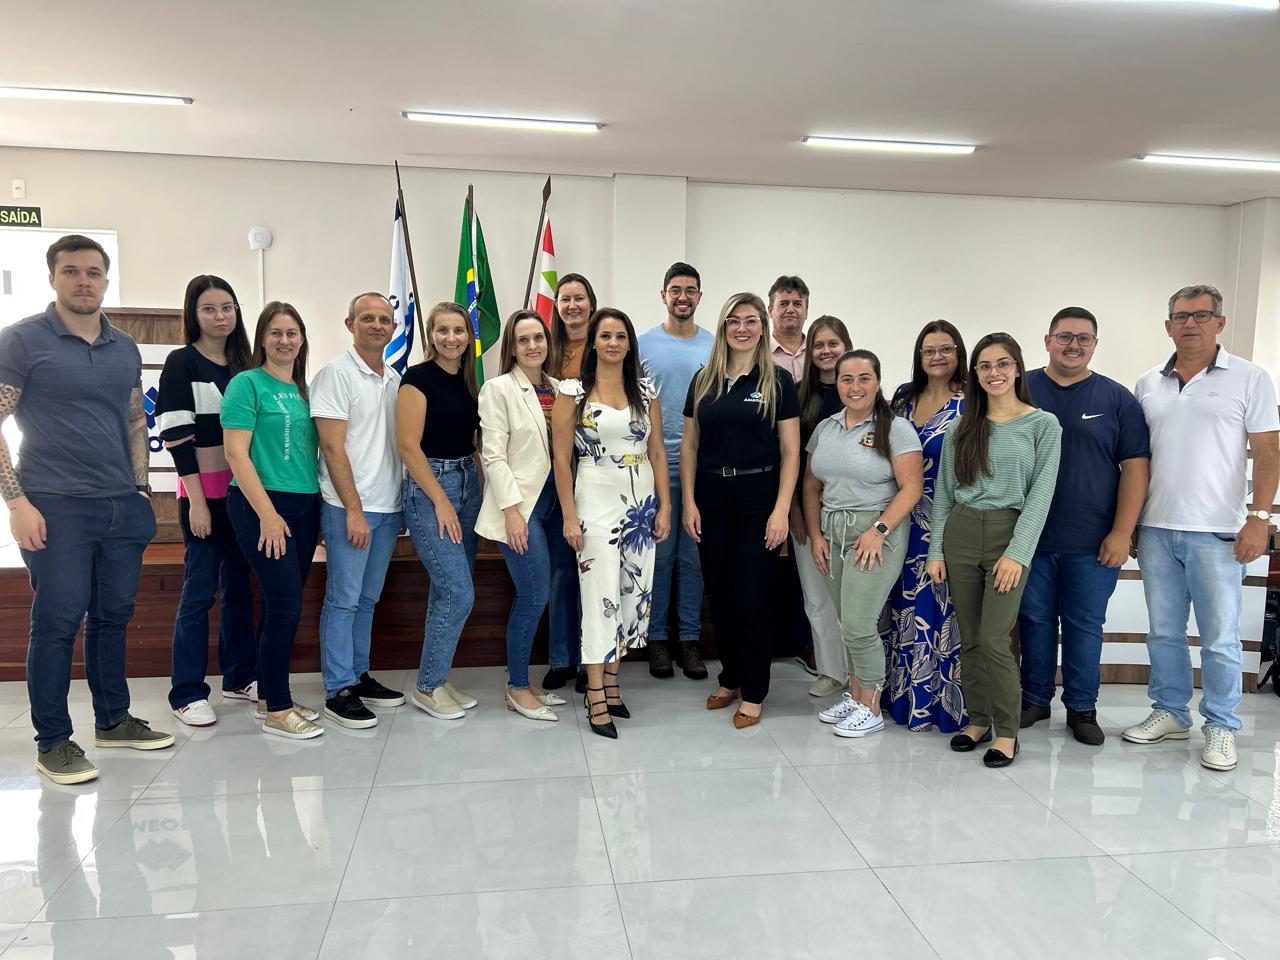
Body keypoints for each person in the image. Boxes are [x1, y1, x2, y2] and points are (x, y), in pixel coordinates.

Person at [0, 234, 173, 784]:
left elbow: (132, 419)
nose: (83, 281)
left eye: (93, 272)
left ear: (105, 279)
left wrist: (142, 491)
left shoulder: (123, 347)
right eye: (71, 271)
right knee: (57, 620)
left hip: (120, 505)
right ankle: (53, 741)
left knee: (113, 618)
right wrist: (15, 500)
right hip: (54, 505)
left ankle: (113, 721)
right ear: (52, 277)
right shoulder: (22, 341)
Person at [1124, 284, 1278, 773]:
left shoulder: (1250, 378)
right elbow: (1135, 460)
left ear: (1220, 322)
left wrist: (1260, 518)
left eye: (1202, 314)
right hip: (1155, 528)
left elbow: (1269, 452)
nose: (1190, 323)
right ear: (1167, 325)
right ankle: (1170, 712)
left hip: (1218, 531)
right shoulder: (1148, 383)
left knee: (1219, 638)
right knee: (1164, 633)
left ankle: (1221, 725)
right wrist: (1129, 522)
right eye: (1181, 316)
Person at [926, 333, 1061, 768]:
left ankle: (1007, 732)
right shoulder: (961, 427)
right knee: (970, 637)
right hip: (961, 532)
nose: (994, 373)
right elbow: (944, 494)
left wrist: (1017, 553)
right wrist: (935, 552)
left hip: (1009, 533)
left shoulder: (1043, 425)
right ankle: (978, 719)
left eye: (1002, 364)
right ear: (975, 375)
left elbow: (1040, 496)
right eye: (984, 366)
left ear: (1018, 369)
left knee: (995, 639)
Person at [1018, 307, 1150, 745]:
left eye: (1084, 338)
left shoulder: (1116, 399)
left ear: (1095, 344)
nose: (1073, 345)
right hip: (1027, 537)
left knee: (1084, 624)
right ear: (1047, 340)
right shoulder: (1022, 389)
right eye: (1065, 336)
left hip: (1092, 540)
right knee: (1034, 620)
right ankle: (1034, 698)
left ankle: (1081, 708)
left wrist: (1121, 531)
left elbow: (1134, 468)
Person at [682, 292, 800, 728]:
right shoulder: (704, 380)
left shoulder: (778, 382)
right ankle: (729, 678)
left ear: (762, 328)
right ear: (724, 327)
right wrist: (689, 502)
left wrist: (782, 510)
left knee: (753, 597)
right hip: (712, 497)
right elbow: (690, 446)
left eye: (751, 321)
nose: (742, 328)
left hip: (759, 497)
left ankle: (753, 690)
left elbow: (791, 452)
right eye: (734, 321)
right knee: (723, 593)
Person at [552, 308, 670, 739]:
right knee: (599, 596)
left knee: (630, 595)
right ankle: (594, 692)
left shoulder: (645, 389)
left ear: (629, 344)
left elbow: (657, 452)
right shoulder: (573, 391)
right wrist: (568, 514)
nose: (614, 343)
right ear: (594, 342)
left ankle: (615, 682)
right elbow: (561, 460)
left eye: (621, 336)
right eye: (606, 335)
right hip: (594, 500)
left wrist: (666, 506)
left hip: (640, 503)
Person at [806, 350, 924, 737]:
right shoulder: (827, 427)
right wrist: (816, 534)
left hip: (875, 533)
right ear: (836, 383)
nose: (855, 387)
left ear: (877, 382)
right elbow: (811, 485)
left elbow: (912, 487)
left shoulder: (897, 429)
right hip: (832, 531)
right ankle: (856, 696)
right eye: (847, 379)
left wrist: (879, 530)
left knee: (859, 623)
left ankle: (871, 707)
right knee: (846, 621)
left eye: (864, 378)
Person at [156, 275, 256, 728]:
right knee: (199, 594)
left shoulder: (246, 366)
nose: (220, 316)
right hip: (203, 499)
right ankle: (187, 691)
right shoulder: (182, 363)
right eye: (210, 308)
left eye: (228, 307)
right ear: (193, 315)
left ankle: (239, 677)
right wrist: (196, 501)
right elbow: (177, 437)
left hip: (244, 498)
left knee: (238, 591)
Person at [222, 301, 322, 740]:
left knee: (283, 605)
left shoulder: (303, 389)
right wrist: (266, 514)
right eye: (276, 332)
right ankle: (278, 710)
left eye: (293, 333)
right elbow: (235, 453)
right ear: (262, 338)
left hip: (305, 505)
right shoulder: (247, 384)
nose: (285, 340)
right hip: (261, 505)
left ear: (302, 340)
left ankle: (269, 694)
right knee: (285, 607)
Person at [310, 292, 406, 730]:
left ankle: (359, 675)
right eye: (367, 318)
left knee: (368, 599)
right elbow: (331, 447)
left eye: (384, 319)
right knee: (344, 600)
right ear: (350, 324)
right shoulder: (335, 375)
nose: (377, 325)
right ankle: (338, 689)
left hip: (387, 506)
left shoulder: (393, 380)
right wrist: (353, 510)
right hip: (349, 507)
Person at [477, 310, 573, 721]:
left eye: (538, 338)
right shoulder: (497, 389)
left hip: (557, 503)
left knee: (546, 591)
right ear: (512, 348)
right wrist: (512, 512)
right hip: (521, 505)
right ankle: (517, 687)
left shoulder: (560, 389)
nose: (532, 346)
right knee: (532, 595)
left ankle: (524, 681)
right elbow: (493, 456)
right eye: (523, 340)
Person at [398, 301, 482, 720]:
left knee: (445, 591)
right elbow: (408, 448)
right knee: (458, 591)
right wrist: (442, 501)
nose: (452, 338)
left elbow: (473, 440)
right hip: (432, 488)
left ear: (469, 336)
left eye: (460, 330)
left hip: (469, 483)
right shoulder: (417, 379)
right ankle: (427, 687)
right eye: (443, 330)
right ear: (431, 335)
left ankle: (437, 676)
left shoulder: (468, 379)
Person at [883, 320, 968, 733]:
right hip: (901, 518)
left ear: (959, 354)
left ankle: (941, 705)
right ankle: (899, 698)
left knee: (941, 609)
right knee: (902, 606)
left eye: (945, 349)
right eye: (929, 350)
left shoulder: (972, 400)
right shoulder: (902, 398)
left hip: (946, 520)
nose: (937, 357)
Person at [637, 261, 713, 680]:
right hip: (654, 467)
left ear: (699, 297)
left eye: (690, 290)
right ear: (663, 295)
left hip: (702, 467)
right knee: (661, 556)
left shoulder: (715, 345)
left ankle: (689, 640)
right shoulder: (643, 344)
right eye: (675, 289)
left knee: (694, 557)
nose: (682, 296)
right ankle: (658, 641)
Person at [791, 317, 853, 697]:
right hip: (808, 512)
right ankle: (831, 671)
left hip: (855, 515)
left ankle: (861, 675)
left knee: (854, 602)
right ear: (809, 352)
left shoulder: (862, 392)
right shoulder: (797, 395)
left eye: (834, 344)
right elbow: (791, 459)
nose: (827, 351)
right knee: (817, 599)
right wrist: (796, 513)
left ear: (847, 345)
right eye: (819, 345)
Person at [542, 273, 598, 692]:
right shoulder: (546, 350)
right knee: (562, 568)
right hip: (551, 469)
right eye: (565, 299)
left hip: (598, 470)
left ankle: (588, 661)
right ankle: (561, 658)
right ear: (557, 307)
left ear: (591, 305)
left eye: (580, 298)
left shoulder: (603, 348)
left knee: (593, 570)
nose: (573, 305)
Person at [767, 275, 809, 382]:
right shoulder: (758, 353)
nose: (790, 310)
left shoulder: (818, 352)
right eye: (783, 304)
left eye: (797, 304)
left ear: (806, 312)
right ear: (770, 311)